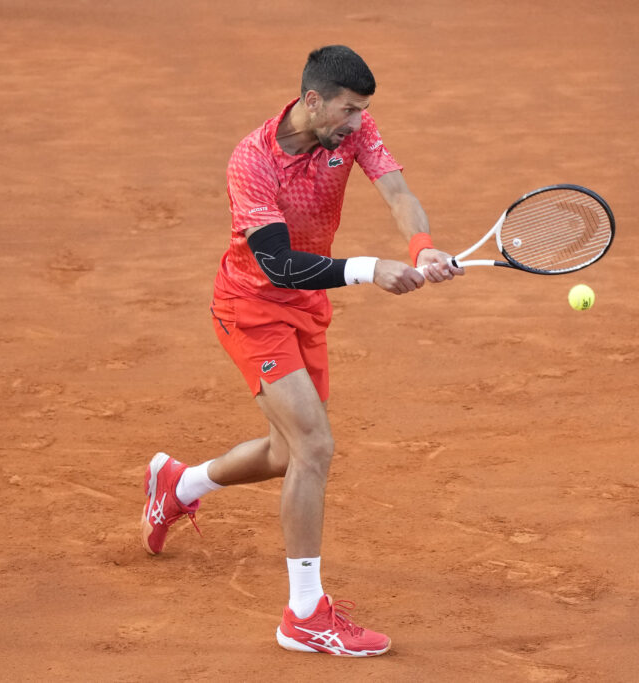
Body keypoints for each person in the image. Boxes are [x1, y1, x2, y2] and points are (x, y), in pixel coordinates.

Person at [140, 45, 463, 657]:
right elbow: (278, 264)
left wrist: (421, 245)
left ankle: (180, 485)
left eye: (362, 110)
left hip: (307, 307)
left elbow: (397, 192)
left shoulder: (354, 130)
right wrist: (370, 269)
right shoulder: (252, 161)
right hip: (252, 308)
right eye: (348, 109)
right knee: (315, 446)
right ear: (312, 100)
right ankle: (305, 614)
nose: (357, 121)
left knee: (286, 453)